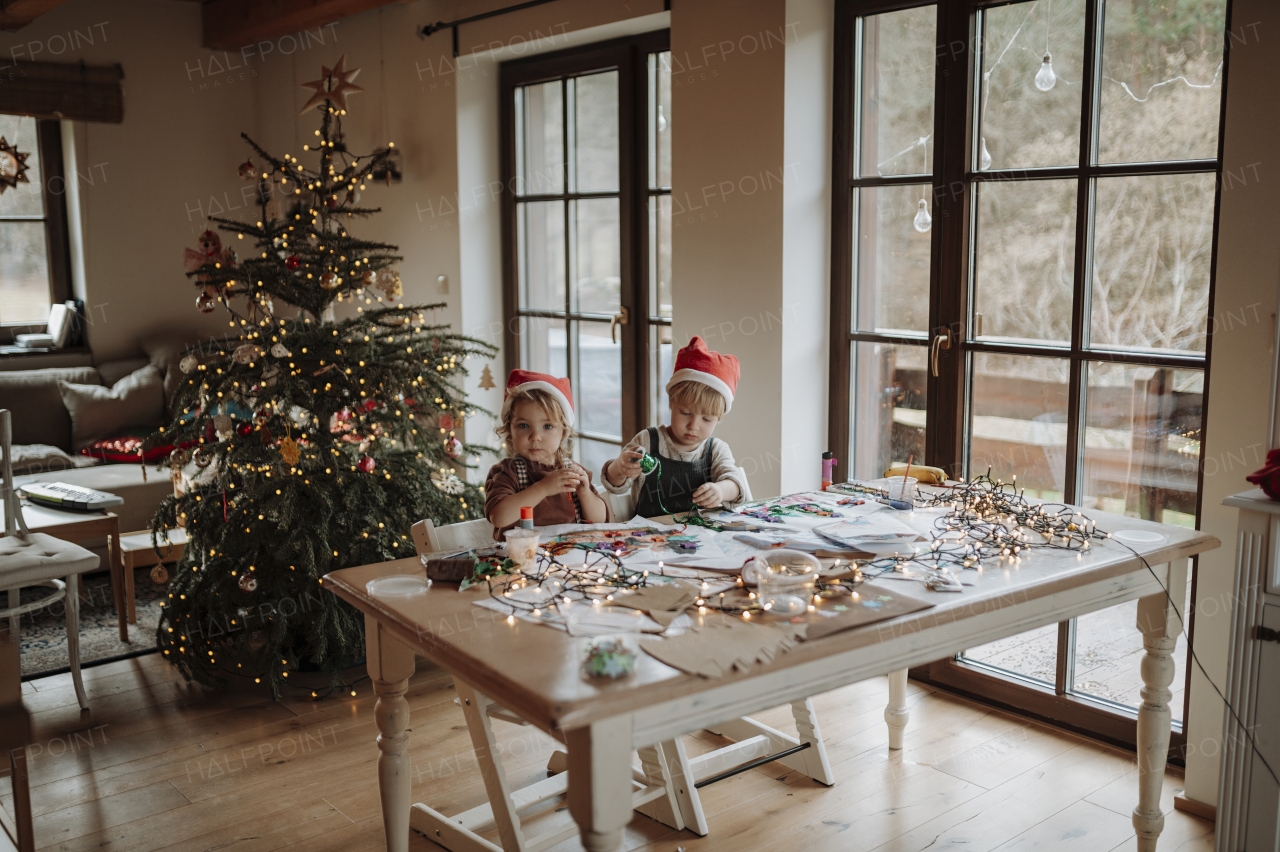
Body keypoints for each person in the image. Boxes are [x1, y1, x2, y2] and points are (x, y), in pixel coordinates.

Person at [602, 336, 750, 517]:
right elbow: (614, 484)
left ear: (718, 419)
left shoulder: (716, 451)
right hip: (651, 537)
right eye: (686, 413)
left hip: (702, 537)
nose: (693, 426)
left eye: (706, 419)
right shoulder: (647, 441)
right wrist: (619, 468)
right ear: (671, 403)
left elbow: (736, 484)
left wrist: (721, 490)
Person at [485, 370, 607, 539]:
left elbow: (599, 519)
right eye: (523, 426)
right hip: (522, 559)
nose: (535, 437)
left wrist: (585, 493)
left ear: (563, 432)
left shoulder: (573, 471)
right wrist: (543, 488)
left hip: (571, 555)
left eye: (547, 426)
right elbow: (499, 517)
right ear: (509, 430)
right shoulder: (506, 472)